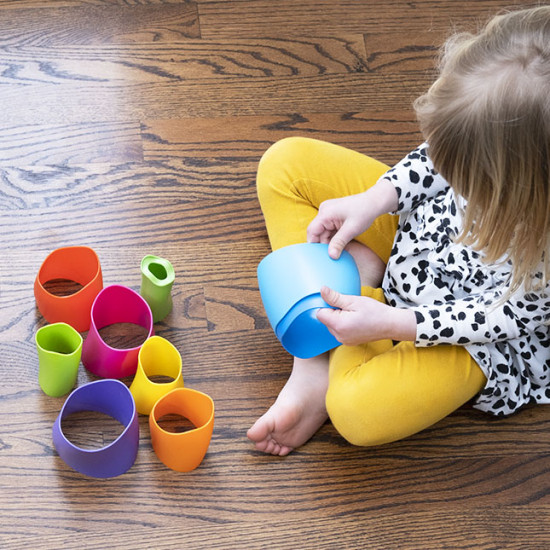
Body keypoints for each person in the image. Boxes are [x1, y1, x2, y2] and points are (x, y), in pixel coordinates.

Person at [247, 6, 550, 456]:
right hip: (425, 239)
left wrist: (392, 322)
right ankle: (318, 352)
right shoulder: (491, 131)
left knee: (356, 411)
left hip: (470, 331)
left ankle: (348, 302)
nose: (447, 171)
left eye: (464, 176)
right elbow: (437, 158)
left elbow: (494, 319)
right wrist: (377, 199)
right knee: (283, 165)